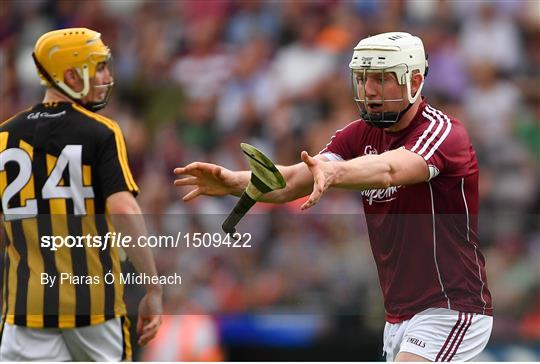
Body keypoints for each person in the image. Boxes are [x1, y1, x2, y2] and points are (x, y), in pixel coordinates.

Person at [174, 32, 493, 361]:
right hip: (399, 317)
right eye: (364, 78)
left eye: (382, 79)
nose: (370, 90)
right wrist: (234, 181)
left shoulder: (442, 132)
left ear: (413, 81)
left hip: (451, 307)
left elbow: (391, 170)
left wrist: (335, 173)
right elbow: (293, 180)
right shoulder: (357, 134)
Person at [0, 28, 162, 361]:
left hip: (26, 308)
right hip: (95, 306)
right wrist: (153, 288)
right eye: (98, 66)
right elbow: (124, 210)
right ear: (71, 75)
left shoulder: (4, 136)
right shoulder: (101, 132)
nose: (105, 75)